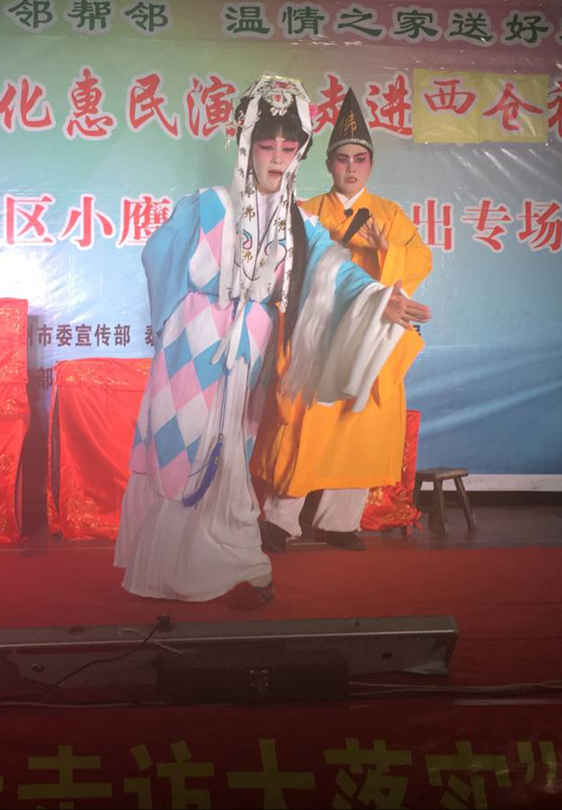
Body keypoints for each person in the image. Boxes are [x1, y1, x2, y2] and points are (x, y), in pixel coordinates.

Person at [113, 75, 430, 604]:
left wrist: (378, 298)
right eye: (267, 146)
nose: (278, 158)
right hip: (194, 345)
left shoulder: (299, 224)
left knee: (232, 452)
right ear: (246, 146)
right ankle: (171, 564)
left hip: (250, 350)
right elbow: (159, 260)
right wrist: (182, 320)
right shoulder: (206, 206)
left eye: (288, 148)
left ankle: (230, 558)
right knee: (184, 446)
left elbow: (336, 272)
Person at [251, 87, 433, 551]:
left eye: (360, 159)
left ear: (370, 165)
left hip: (368, 336)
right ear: (329, 164)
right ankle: (281, 520)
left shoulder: (390, 215)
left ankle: (339, 521)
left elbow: (419, 262)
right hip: (319, 335)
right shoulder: (308, 212)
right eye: (342, 159)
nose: (351, 168)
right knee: (304, 426)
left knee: (359, 425)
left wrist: (388, 253)